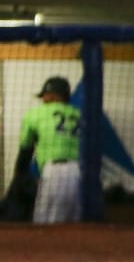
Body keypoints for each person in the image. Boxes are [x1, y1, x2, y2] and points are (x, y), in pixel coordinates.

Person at [11, 77, 81, 224]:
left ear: (52, 95)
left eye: (44, 95)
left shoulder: (36, 114)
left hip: (55, 172)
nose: (43, 99)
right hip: (81, 174)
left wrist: (18, 175)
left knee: (44, 225)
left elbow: (26, 150)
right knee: (74, 225)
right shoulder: (80, 115)